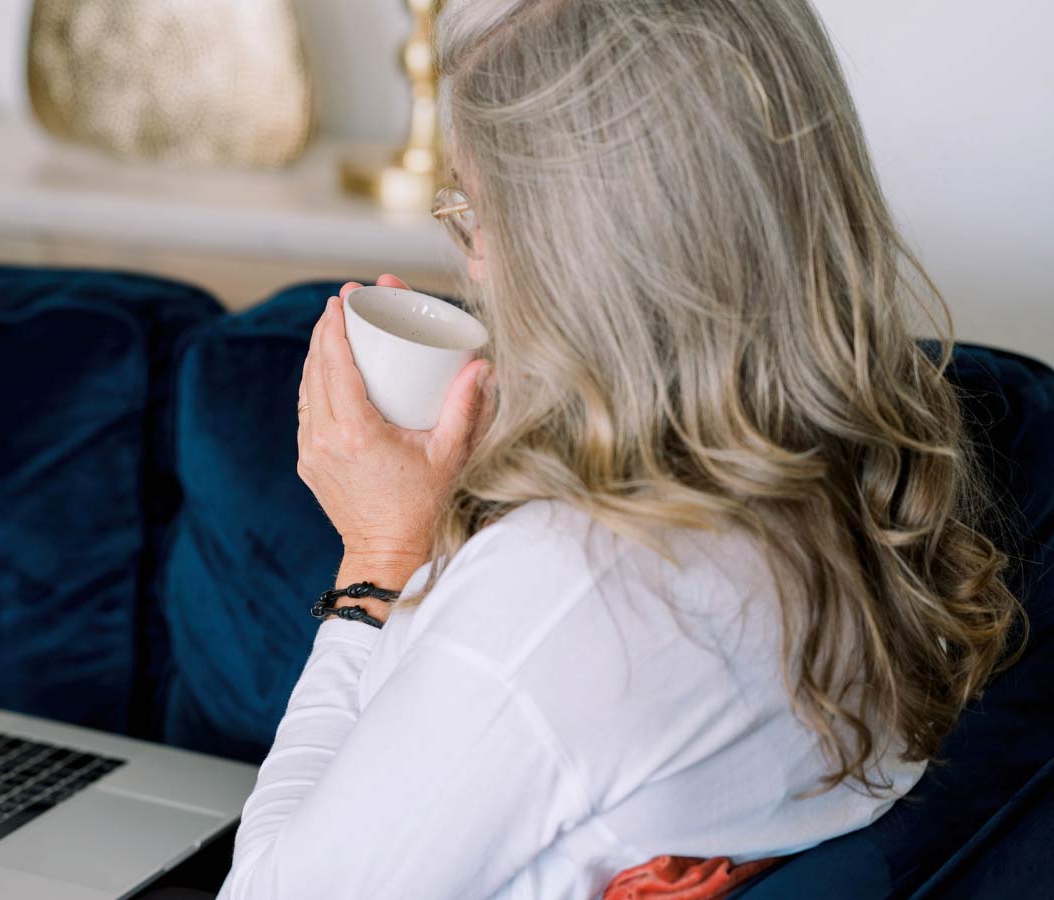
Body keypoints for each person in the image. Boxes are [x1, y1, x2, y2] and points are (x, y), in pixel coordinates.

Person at [215, 1, 1024, 898]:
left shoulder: (578, 590)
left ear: (593, 252)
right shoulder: (858, 482)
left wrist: (377, 562)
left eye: (476, 211)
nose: (474, 266)